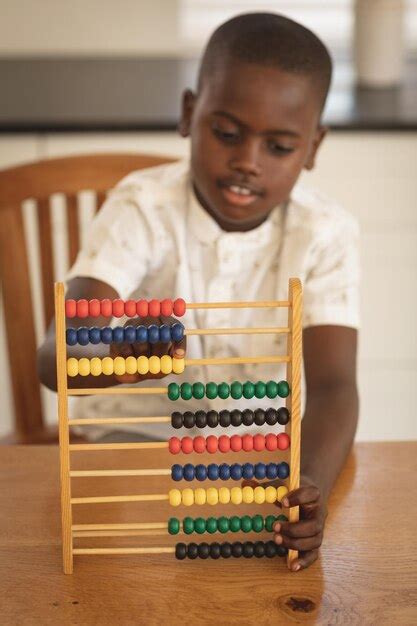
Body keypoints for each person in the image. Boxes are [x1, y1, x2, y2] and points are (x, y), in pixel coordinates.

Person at [38, 13, 360, 571]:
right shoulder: (142, 209)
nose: (247, 161)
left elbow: (334, 388)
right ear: (190, 113)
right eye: (227, 133)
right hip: (134, 440)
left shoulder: (326, 233)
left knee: (256, 577)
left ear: (313, 146)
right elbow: (53, 359)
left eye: (279, 146)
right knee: (119, 575)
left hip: (262, 455)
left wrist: (308, 484)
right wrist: (110, 357)